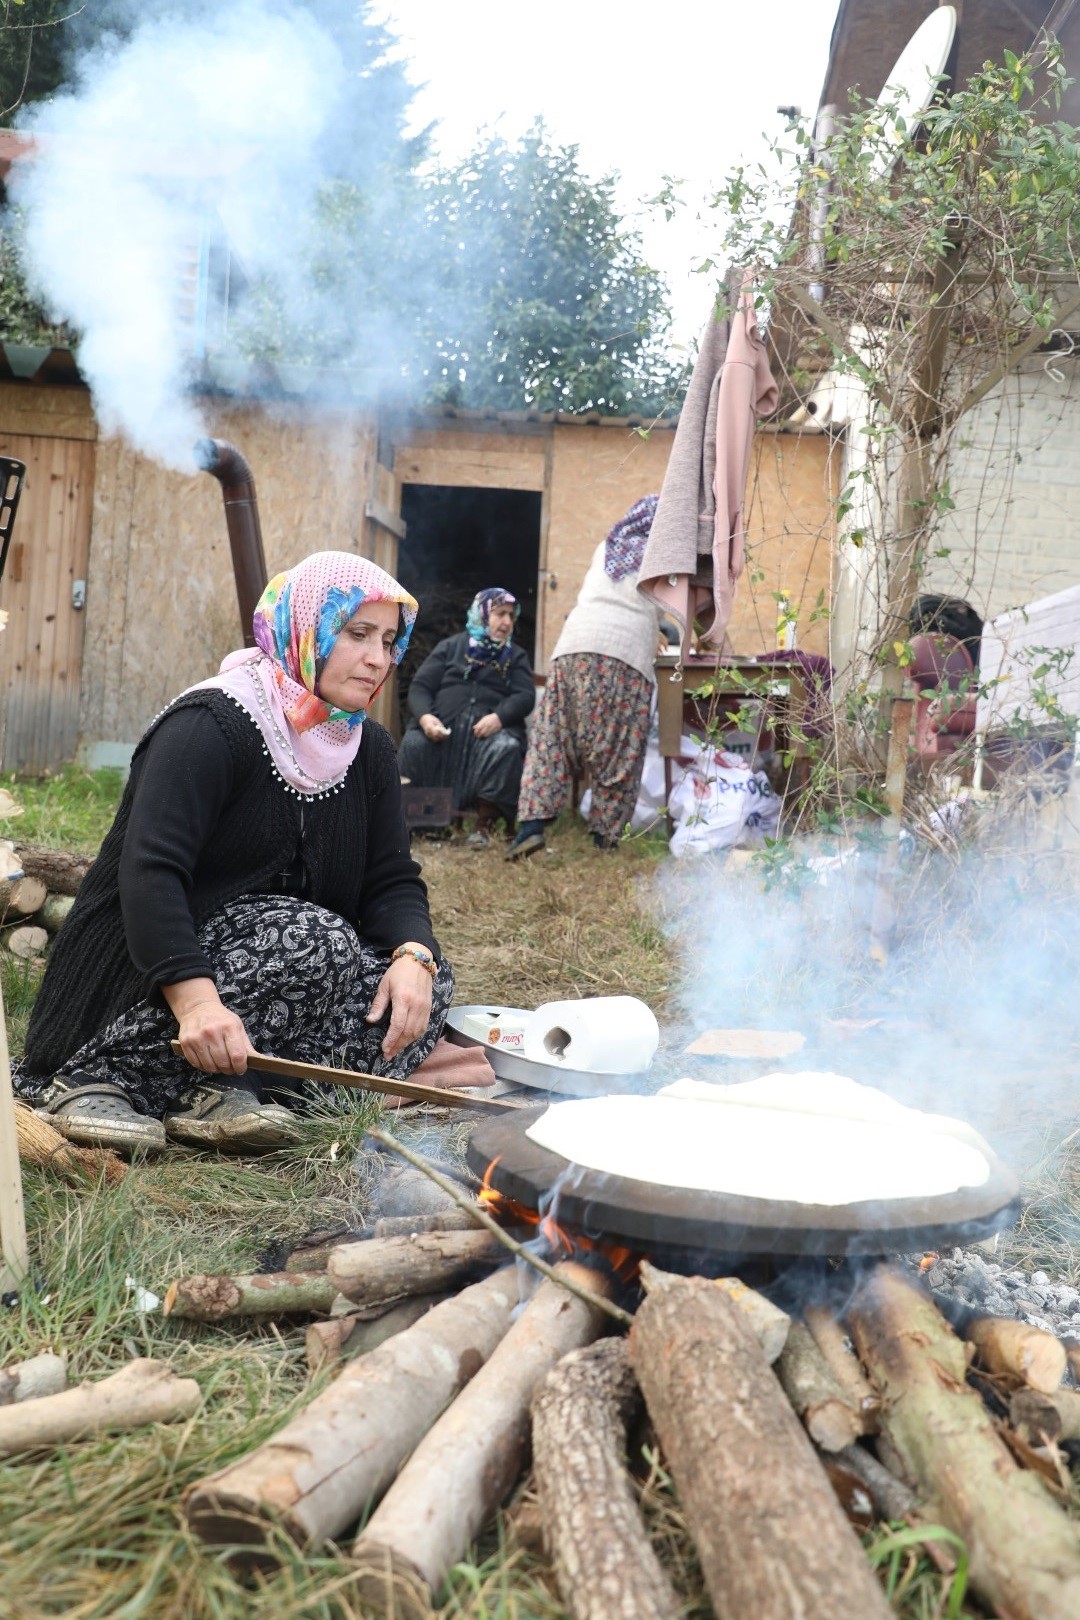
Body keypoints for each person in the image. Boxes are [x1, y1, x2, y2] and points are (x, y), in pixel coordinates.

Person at [15, 551, 454, 1156]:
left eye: (388, 640)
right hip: (145, 977)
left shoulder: (367, 749)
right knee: (316, 939)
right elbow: (151, 874)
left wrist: (414, 956)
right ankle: (90, 1078)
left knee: (422, 985)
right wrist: (196, 1003)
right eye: (356, 635)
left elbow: (392, 880)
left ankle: (217, 1090)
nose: (378, 659)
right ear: (308, 630)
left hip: (273, 985)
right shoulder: (211, 724)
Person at [507, 496, 662, 859]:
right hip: (624, 654)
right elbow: (664, 604)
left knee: (552, 738)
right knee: (619, 745)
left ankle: (531, 830)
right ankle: (604, 839)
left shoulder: (607, 544)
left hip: (573, 646)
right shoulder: (662, 553)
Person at [397, 587, 535, 847]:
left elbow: (525, 695)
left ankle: (485, 826)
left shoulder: (515, 656)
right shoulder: (450, 647)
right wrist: (427, 718)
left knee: (506, 748)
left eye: (510, 616)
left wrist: (499, 718)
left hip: (488, 735)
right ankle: (425, 825)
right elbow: (420, 687)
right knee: (415, 745)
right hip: (443, 731)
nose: (506, 622)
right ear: (481, 614)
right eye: (500, 614)